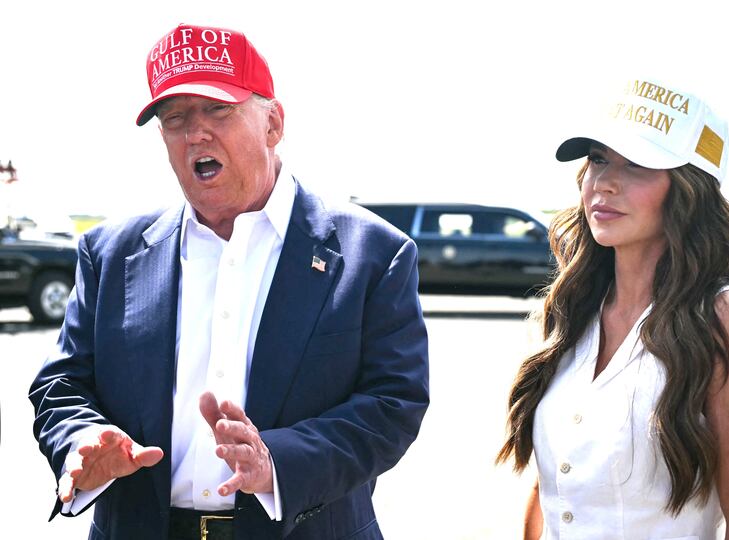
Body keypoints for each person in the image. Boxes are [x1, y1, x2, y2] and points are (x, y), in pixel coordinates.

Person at [29, 23, 429, 540]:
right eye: (174, 118)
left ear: (273, 122)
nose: (195, 132)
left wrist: (276, 463)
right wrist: (81, 438)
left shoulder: (372, 253)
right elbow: (61, 384)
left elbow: (393, 404)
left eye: (218, 109)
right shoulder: (111, 252)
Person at [497, 78, 729, 538]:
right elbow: (553, 490)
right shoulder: (573, 310)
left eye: (638, 165)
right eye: (598, 159)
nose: (606, 182)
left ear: (690, 188)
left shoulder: (726, 320)